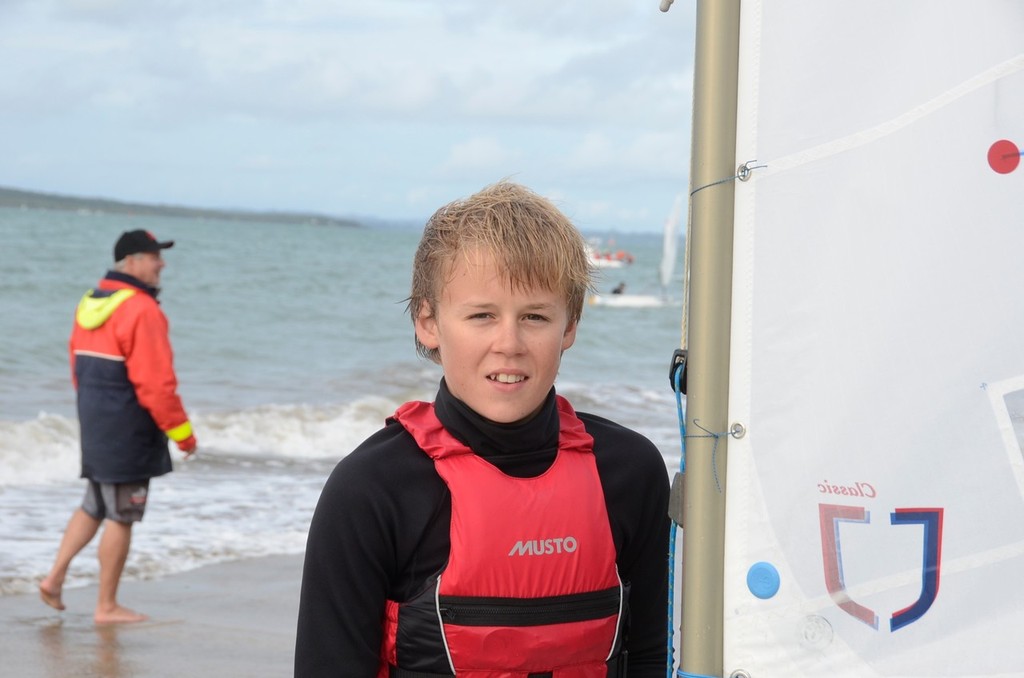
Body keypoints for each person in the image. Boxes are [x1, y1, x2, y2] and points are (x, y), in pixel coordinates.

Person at [295, 182, 670, 676]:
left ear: (570, 325)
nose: (508, 343)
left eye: (535, 316)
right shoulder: (372, 489)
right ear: (428, 323)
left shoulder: (629, 472)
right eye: (482, 316)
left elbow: (648, 656)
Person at [39, 229, 198, 624]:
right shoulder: (142, 309)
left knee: (94, 503)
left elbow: (77, 365)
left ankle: (54, 579)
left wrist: (93, 413)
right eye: (153, 256)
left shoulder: (91, 301)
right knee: (122, 515)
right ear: (130, 262)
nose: (161, 263)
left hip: (96, 420)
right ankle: (106, 606)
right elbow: (156, 383)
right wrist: (182, 433)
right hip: (128, 427)